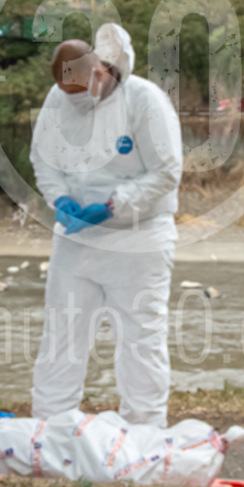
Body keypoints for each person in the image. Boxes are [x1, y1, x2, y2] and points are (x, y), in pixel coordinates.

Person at [29, 24, 183, 427]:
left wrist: (115, 205)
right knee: (61, 337)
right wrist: (58, 199)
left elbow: (167, 173)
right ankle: (51, 427)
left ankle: (145, 432)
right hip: (76, 238)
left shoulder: (145, 101)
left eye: (81, 95)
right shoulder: (59, 96)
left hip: (139, 237)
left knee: (140, 340)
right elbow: (43, 157)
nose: (74, 103)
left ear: (98, 72)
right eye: (68, 96)